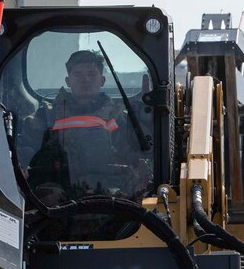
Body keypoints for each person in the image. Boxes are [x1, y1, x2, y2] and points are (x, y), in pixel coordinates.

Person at [22, 49, 149, 204]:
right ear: (68, 80)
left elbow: (131, 155)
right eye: (78, 74)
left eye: (91, 74)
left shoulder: (116, 116)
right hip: (57, 194)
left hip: (106, 191)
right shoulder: (48, 114)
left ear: (102, 80)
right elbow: (27, 149)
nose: (85, 80)